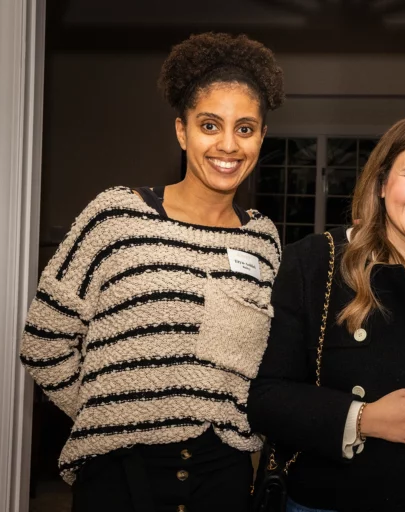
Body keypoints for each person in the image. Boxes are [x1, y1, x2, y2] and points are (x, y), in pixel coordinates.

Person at [19, 32, 284, 512]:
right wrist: (110, 411)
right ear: (182, 131)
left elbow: (259, 367)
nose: (228, 144)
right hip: (119, 471)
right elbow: (44, 339)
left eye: (245, 128)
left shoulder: (263, 240)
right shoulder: (115, 216)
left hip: (221, 475)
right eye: (210, 125)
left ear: (262, 136)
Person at [248, 113, 405, 512]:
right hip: (339, 496)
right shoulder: (314, 264)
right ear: (382, 183)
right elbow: (266, 397)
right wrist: (363, 418)